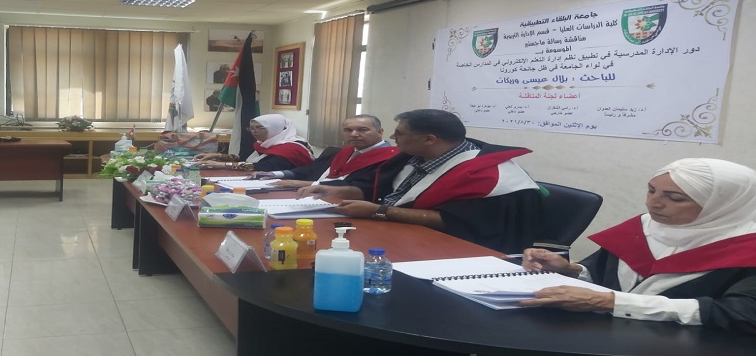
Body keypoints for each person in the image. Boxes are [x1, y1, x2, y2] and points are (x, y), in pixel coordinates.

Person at [519, 158, 756, 334]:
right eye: (651, 190)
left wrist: (611, 302)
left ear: (724, 204)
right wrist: (571, 270)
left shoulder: (747, 248)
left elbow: (742, 314)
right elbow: (606, 276)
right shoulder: (645, 226)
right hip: (604, 334)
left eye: (675, 198)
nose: (654, 203)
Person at [297, 109, 544, 254]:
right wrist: (334, 190)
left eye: (400, 133)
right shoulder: (413, 157)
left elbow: (456, 222)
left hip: (454, 251)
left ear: (429, 139)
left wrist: (380, 211)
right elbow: (379, 191)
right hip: (395, 232)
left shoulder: (487, 175)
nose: (393, 137)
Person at [257, 115, 398, 195]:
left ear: (380, 132)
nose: (354, 134)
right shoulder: (344, 151)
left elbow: (358, 187)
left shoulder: (390, 158)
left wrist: (306, 184)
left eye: (362, 130)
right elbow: (311, 170)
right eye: (348, 130)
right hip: (308, 196)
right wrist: (276, 174)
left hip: (340, 201)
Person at [195, 114, 313, 172]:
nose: (254, 131)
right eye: (251, 128)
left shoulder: (291, 148)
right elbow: (245, 158)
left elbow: (265, 167)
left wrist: (223, 165)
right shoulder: (265, 143)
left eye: (259, 128)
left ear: (275, 128)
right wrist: (219, 156)